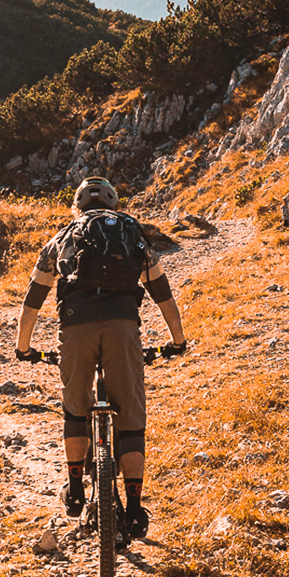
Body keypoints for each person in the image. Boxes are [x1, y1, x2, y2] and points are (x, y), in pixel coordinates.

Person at [14, 176, 187, 540]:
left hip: (77, 330)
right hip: (123, 327)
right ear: (113, 206)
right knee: (132, 420)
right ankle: (136, 509)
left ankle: (76, 490)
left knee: (75, 408)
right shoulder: (133, 235)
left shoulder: (62, 238)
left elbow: (34, 298)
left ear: (77, 207)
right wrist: (177, 340)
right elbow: (162, 293)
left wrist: (23, 347)